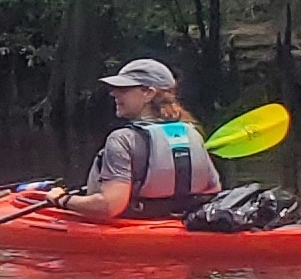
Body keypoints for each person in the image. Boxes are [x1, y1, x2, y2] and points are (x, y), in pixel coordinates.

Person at [67, 57, 218, 220]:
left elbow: (110, 206)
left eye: (123, 89)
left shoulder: (122, 139)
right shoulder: (192, 132)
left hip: (130, 227)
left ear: (148, 93)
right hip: (181, 221)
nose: (114, 93)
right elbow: (213, 190)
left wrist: (63, 199)